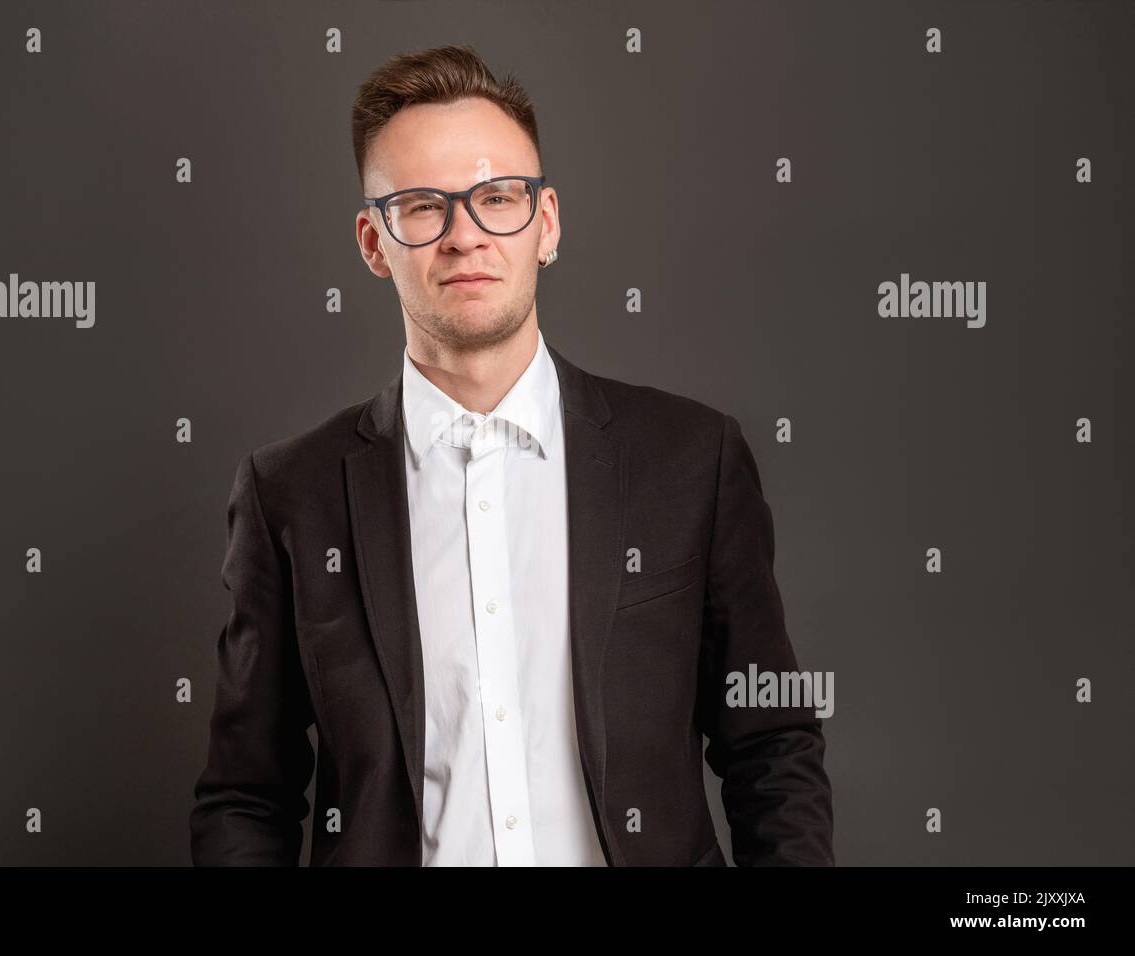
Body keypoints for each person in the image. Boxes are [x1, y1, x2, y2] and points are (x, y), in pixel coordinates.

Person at [190, 43, 833, 866]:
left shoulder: (691, 459)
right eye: (423, 206)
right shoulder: (290, 493)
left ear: (547, 223)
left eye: (497, 197)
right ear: (373, 242)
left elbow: (770, 744)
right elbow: (248, 795)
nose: (465, 236)